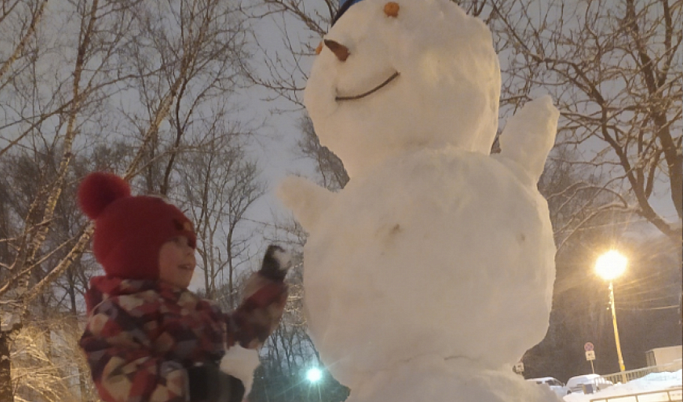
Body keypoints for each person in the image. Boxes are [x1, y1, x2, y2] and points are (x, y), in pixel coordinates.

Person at [77, 172, 289, 402]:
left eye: (190, 243)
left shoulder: (203, 311)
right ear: (136, 252)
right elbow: (118, 376)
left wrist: (270, 283)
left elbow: (243, 334)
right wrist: (191, 386)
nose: (189, 250)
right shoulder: (118, 313)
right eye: (176, 242)